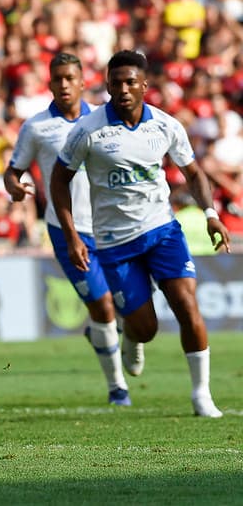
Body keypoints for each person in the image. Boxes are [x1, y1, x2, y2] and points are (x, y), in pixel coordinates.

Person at [50, 50, 230, 418]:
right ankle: (131, 333)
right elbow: (58, 179)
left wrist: (211, 213)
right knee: (146, 328)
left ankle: (201, 396)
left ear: (145, 85)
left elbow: (194, 173)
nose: (124, 89)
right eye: (116, 83)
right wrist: (71, 235)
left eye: (131, 82)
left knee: (187, 305)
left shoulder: (165, 125)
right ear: (107, 85)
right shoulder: (89, 130)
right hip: (115, 243)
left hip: (162, 230)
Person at [4, 53, 133, 406]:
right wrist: (14, 186)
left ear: (81, 81)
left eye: (69, 78)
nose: (63, 84)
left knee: (130, 306)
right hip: (66, 229)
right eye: (57, 78)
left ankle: (104, 335)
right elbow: (14, 169)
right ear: (49, 83)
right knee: (103, 306)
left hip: (114, 225)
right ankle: (117, 387)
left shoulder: (105, 119)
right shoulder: (37, 127)